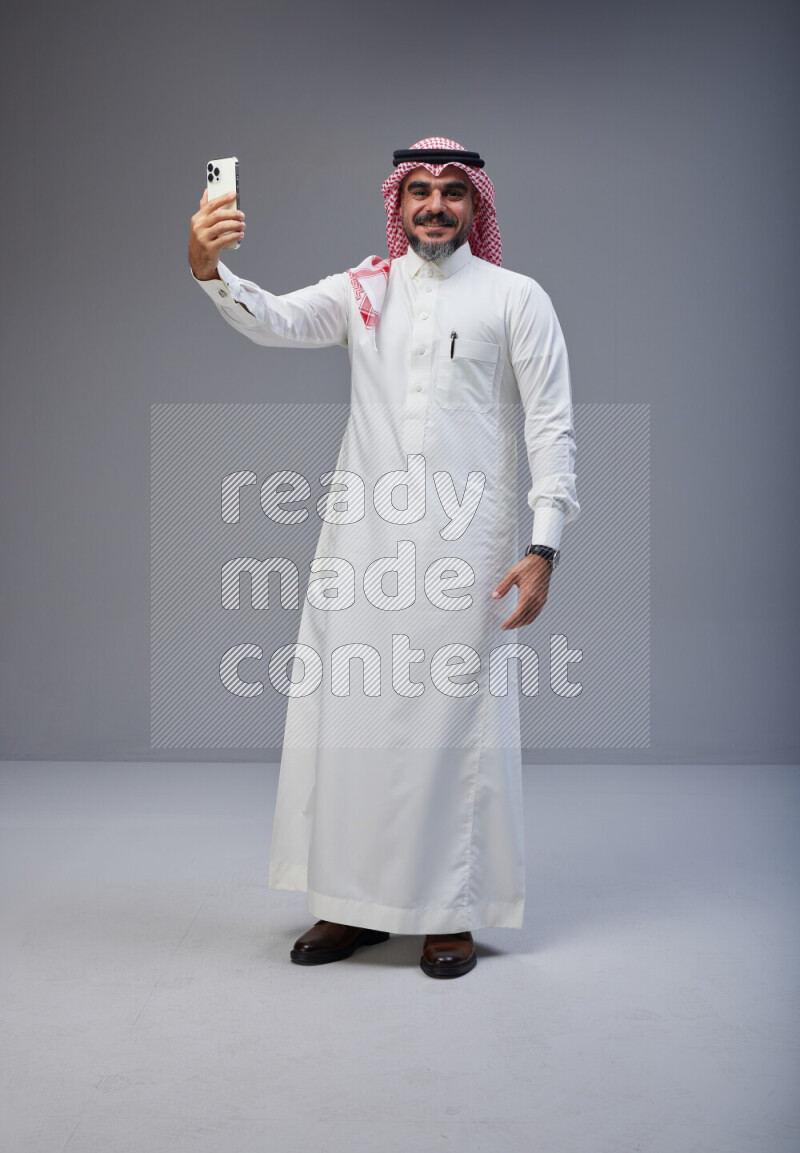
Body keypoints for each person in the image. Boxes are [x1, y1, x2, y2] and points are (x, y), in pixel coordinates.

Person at [188, 137, 579, 979]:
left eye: (452, 193)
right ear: (397, 205)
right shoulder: (364, 289)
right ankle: (349, 905)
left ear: (476, 206)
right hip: (360, 548)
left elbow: (552, 430)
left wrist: (543, 544)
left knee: (450, 731)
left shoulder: (517, 298)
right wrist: (208, 271)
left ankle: (449, 913)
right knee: (352, 725)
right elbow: (277, 318)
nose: (435, 205)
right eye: (420, 193)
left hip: (466, 553)